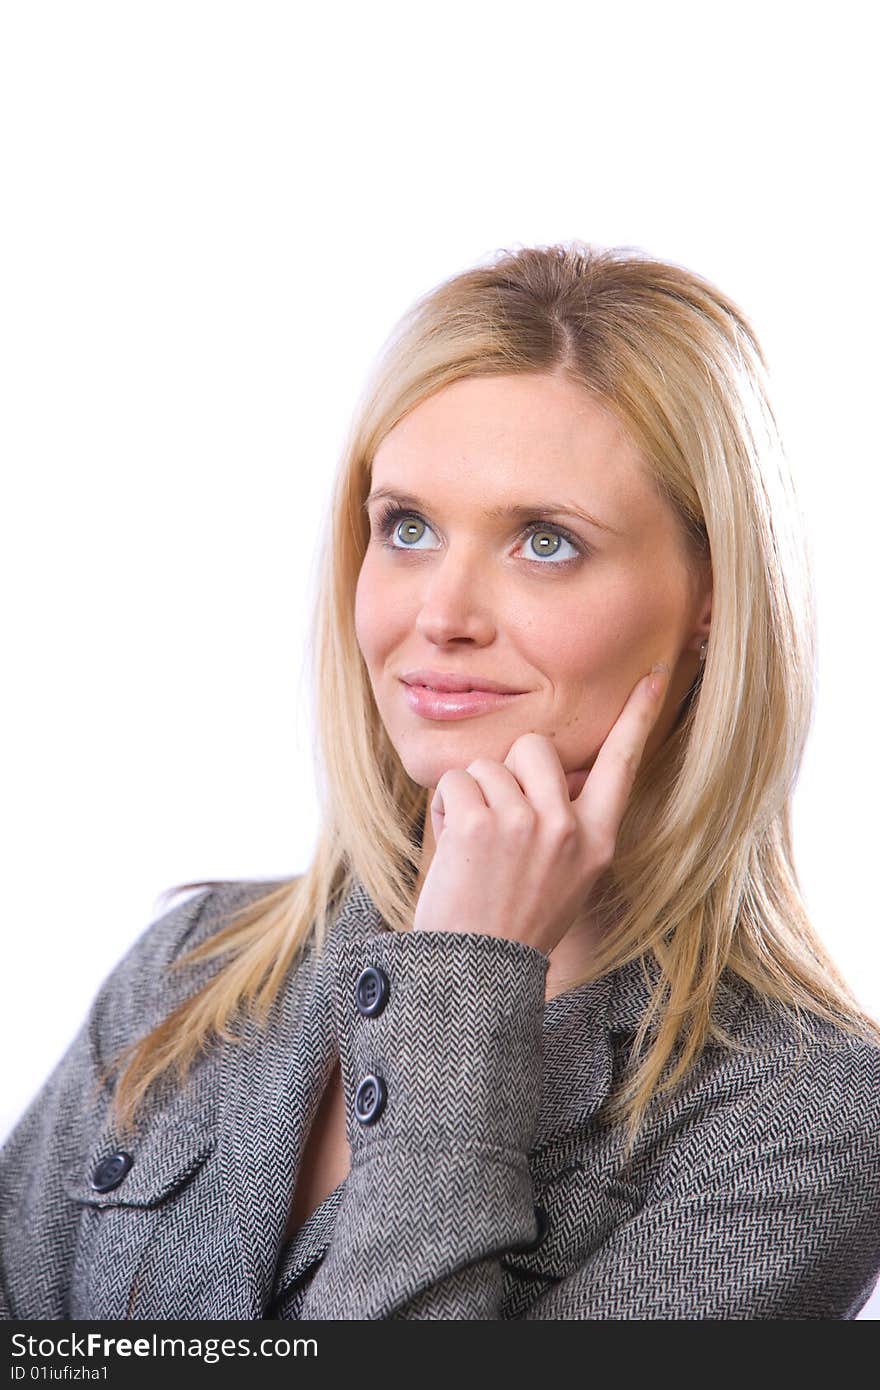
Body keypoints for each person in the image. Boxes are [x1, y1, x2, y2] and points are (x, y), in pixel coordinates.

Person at [2, 241, 879, 1321]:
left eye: (545, 542)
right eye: (406, 528)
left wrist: (466, 980)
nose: (441, 615)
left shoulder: (801, 1112)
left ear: (712, 597)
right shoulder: (194, 969)